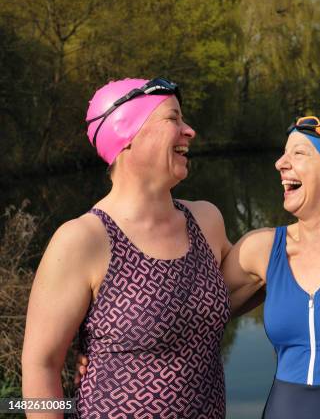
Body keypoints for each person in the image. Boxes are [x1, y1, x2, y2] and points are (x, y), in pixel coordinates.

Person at [75, 116, 320, 417]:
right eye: (283, 154)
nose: (280, 164)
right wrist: (101, 343)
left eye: (298, 154)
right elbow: (184, 314)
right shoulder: (263, 249)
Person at [22, 78, 233, 418]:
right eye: (173, 118)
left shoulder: (206, 221)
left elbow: (250, 285)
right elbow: (41, 367)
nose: (189, 130)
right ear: (126, 134)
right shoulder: (83, 240)